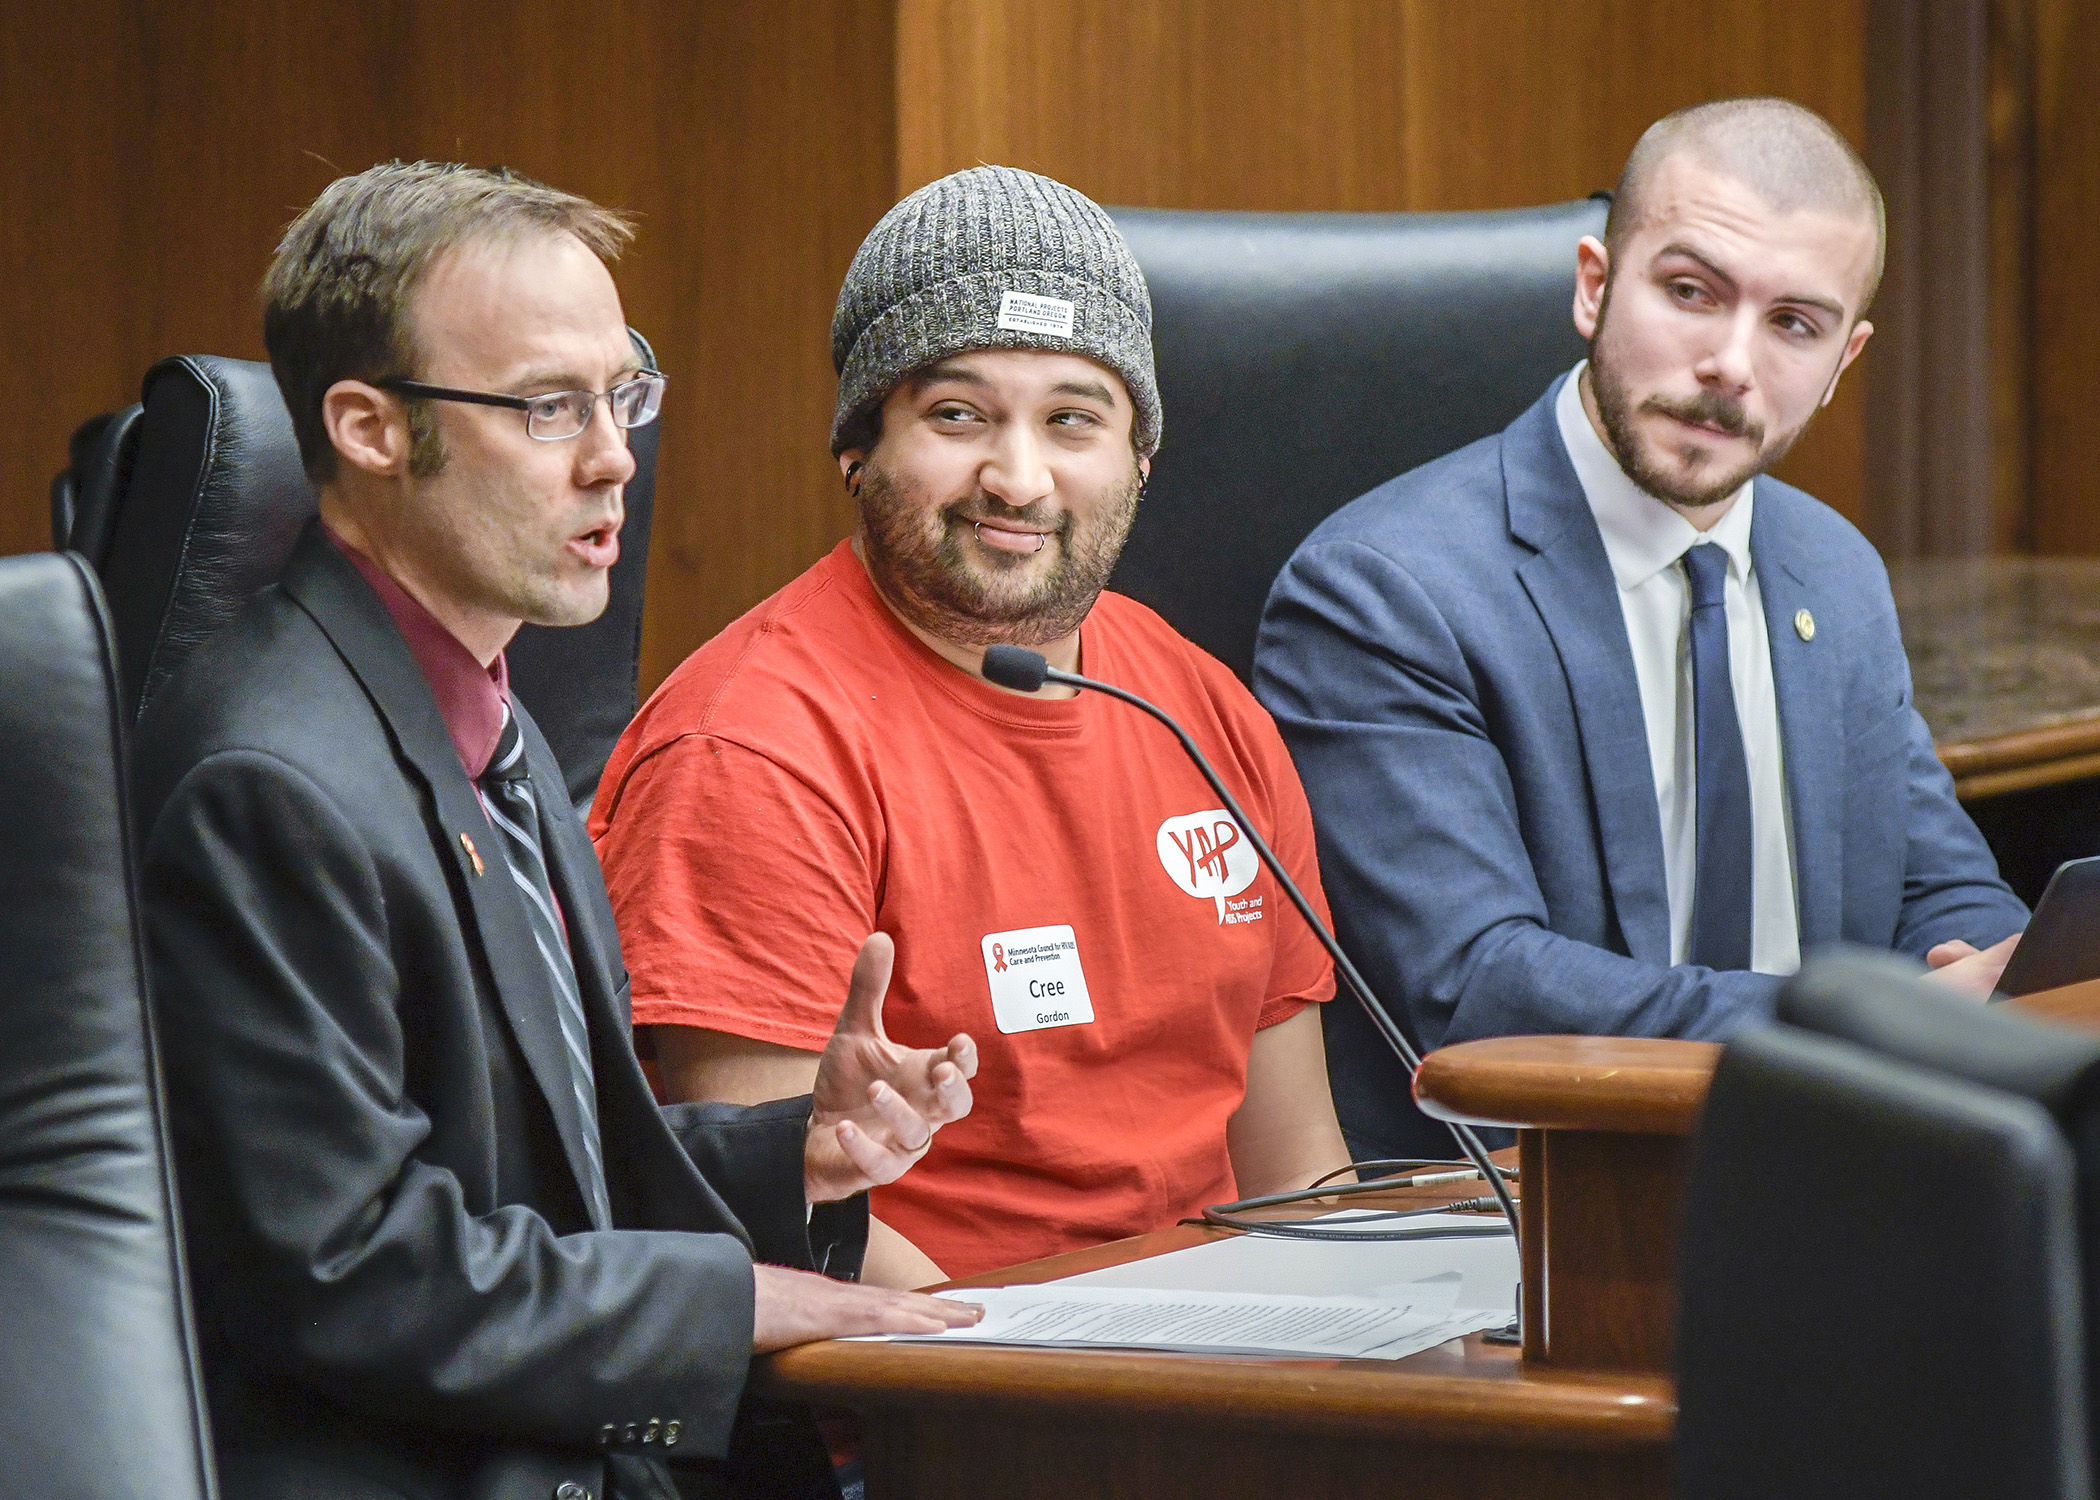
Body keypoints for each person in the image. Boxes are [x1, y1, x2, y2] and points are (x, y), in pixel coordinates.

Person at [130, 161, 983, 1500]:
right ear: (364, 426)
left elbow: (529, 1168)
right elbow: (345, 1269)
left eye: (621, 391)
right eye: (547, 407)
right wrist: (720, 1303)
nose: (613, 455)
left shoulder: (491, 721)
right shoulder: (266, 780)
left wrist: (791, 1152)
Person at [591, 166, 1350, 1287]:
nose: (1020, 477)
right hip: (941, 1405)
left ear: (1139, 456)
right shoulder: (751, 747)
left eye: (1073, 420)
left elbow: (1296, 1164)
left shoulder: (1203, 710)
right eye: (958, 415)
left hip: (1226, 1382)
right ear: (858, 447)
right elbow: (777, 1216)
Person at [1255, 97, 2029, 1161]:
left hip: (1834, 1183)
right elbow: (1478, 988)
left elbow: (1933, 888)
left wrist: (2011, 973)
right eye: (1690, 293)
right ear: (1594, 286)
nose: (1730, 364)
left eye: (1792, 324)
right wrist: (1860, 1028)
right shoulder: (1385, 591)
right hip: (1528, 1218)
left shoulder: (1833, 570)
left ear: (1845, 361)